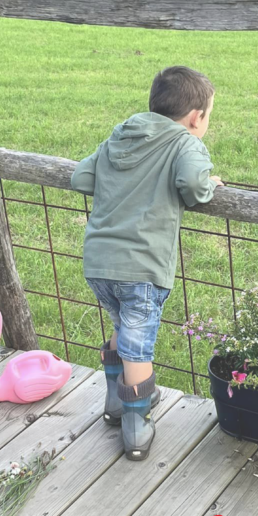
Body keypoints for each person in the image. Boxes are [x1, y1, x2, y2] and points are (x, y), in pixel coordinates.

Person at [70, 65, 224, 461]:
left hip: (99, 261)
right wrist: (208, 186)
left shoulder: (121, 136)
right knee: (139, 344)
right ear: (196, 117)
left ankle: (115, 402)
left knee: (124, 326)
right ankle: (136, 427)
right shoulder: (185, 144)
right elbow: (192, 185)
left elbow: (81, 177)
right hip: (142, 266)